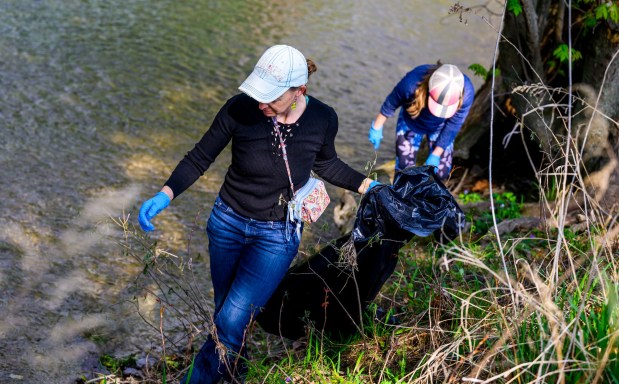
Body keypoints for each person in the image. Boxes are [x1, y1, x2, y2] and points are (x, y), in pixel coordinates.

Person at [137, 44, 378, 383]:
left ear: (299, 91)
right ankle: (239, 371)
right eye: (258, 95)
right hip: (227, 224)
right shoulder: (240, 109)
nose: (261, 104)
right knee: (228, 315)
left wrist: (369, 185)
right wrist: (165, 194)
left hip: (276, 236)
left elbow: (326, 163)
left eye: (271, 98)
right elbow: (199, 157)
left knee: (230, 321)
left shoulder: (323, 119)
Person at [368, 62, 474, 180]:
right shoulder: (412, 82)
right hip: (412, 121)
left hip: (441, 127)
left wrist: (436, 154)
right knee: (404, 171)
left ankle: (427, 195)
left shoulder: (467, 92)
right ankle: (402, 195)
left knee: (441, 172)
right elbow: (392, 102)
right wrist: (377, 126)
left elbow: (454, 125)